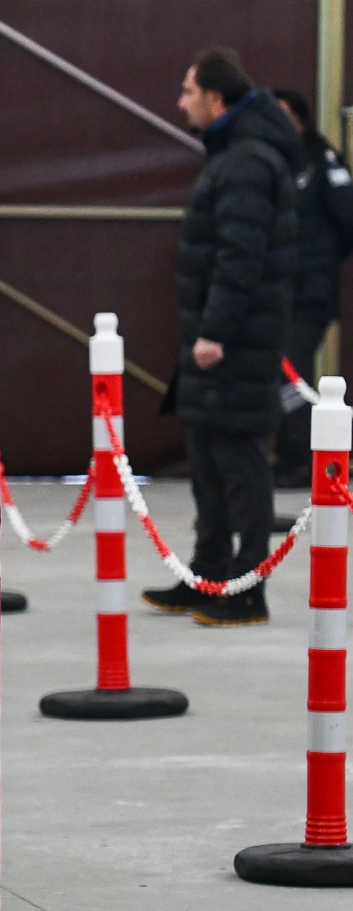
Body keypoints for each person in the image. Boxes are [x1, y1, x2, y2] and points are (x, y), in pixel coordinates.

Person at [144, 49, 302, 627]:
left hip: (235, 343)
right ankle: (209, 575)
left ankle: (248, 585)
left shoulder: (247, 163)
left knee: (240, 460)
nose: (181, 102)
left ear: (217, 99)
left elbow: (242, 255)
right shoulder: (234, 155)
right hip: (219, 341)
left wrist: (214, 331)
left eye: (189, 92)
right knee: (208, 457)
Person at [269, 88, 353, 489]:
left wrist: (319, 259)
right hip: (278, 291)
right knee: (283, 374)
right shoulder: (270, 162)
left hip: (311, 292)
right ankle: (290, 457)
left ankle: (305, 458)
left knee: (291, 374)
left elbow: (347, 217)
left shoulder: (322, 159)